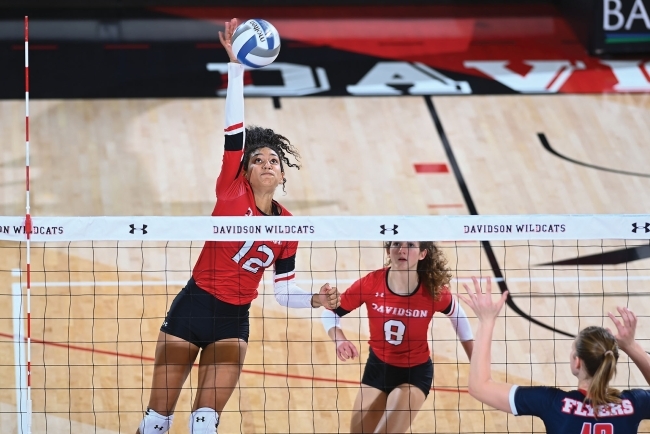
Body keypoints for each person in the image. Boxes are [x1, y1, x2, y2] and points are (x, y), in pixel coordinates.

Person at [135, 18, 340, 434]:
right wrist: (235, 67)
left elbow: (283, 293)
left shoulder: (288, 227)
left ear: (283, 175)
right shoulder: (231, 192)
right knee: (157, 421)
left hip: (234, 322)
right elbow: (233, 130)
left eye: (273, 161)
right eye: (257, 159)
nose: (266, 164)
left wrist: (315, 301)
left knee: (205, 425)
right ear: (244, 171)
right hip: (193, 308)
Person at [460, 276, 650, 433]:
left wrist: (486, 321)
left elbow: (479, 386)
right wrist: (632, 346)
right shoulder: (634, 404)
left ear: (577, 362)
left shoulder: (552, 403)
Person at [322, 241, 474, 433]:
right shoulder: (372, 283)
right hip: (377, 369)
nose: (402, 249)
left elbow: (457, 314)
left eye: (410, 245)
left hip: (414, 374)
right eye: (397, 244)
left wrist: (474, 361)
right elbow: (330, 312)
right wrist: (340, 339)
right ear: (388, 250)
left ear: (422, 254)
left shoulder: (432, 290)